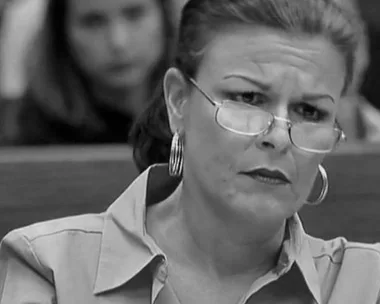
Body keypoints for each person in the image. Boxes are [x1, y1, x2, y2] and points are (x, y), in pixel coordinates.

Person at [1, 0, 380, 303]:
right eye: (248, 98)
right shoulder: (49, 265)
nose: (279, 137)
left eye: (309, 111)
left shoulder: (367, 282)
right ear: (179, 101)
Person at [0, 0, 175, 145]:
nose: (118, 42)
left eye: (134, 14)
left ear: (165, 18)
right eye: (93, 22)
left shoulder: (196, 114)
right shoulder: (22, 134)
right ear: (61, 33)